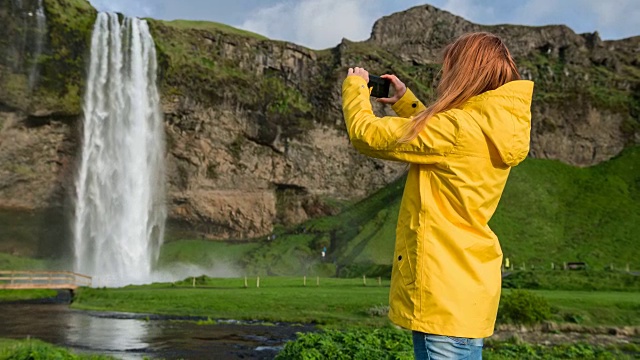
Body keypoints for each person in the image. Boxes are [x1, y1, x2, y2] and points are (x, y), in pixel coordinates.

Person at [341, 32, 533, 360]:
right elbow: (440, 138)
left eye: (450, 68)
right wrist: (406, 103)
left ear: (465, 72)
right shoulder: (494, 128)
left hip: (441, 292)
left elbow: (366, 135)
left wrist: (356, 87)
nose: (445, 75)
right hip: (469, 292)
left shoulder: (456, 129)